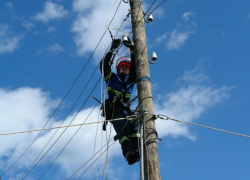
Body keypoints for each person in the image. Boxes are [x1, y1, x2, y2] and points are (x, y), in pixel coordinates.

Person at [100, 38, 140, 165]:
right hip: (115, 109)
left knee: (135, 129)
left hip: (127, 110)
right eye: (122, 67)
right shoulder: (111, 78)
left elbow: (135, 69)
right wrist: (112, 49)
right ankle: (129, 152)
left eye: (126, 67)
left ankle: (138, 150)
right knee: (123, 129)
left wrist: (133, 51)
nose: (124, 69)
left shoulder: (129, 81)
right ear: (118, 69)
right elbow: (103, 66)